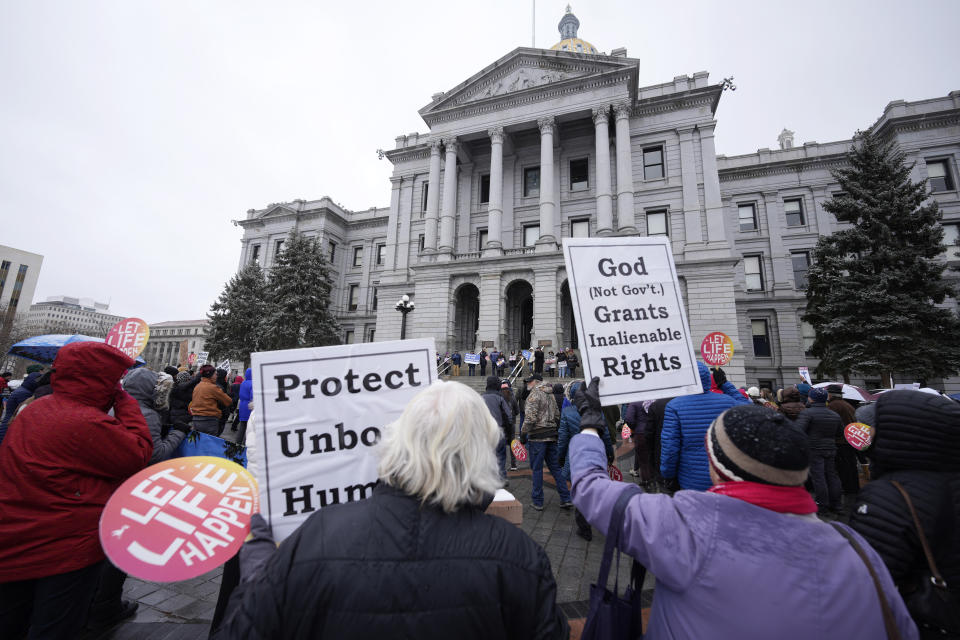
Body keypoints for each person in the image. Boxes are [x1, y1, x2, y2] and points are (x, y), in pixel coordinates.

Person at [213, 381, 568, 640]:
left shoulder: (318, 534)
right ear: (481, 453)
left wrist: (259, 575)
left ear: (398, 439)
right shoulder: (519, 556)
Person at [567, 381, 918, 639]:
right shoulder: (860, 552)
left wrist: (589, 424)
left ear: (718, 466)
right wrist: (726, 384)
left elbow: (589, 485)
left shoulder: (684, 527)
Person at [0, 342, 153, 640]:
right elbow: (138, 453)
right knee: (57, 627)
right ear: (103, 379)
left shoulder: (34, 409)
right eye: (114, 379)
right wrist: (124, 401)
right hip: (64, 547)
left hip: (14, 537)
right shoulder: (87, 422)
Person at [849, 390, 960, 638]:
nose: (867, 435)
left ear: (897, 433)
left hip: (919, 620)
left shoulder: (889, 494)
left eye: (873, 427)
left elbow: (865, 583)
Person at [660, 364, 751, 491]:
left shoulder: (674, 406)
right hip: (724, 475)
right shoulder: (728, 401)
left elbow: (670, 447)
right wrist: (725, 384)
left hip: (691, 478)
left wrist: (667, 474)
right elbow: (749, 408)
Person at [557, 380, 614, 541]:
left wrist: (560, 457)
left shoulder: (567, 412)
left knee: (580, 488)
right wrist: (609, 454)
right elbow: (607, 435)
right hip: (596, 451)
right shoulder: (597, 411)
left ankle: (584, 527)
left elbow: (562, 438)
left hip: (575, 454)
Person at [519, 374, 572, 511]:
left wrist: (523, 433)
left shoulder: (534, 395)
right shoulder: (550, 395)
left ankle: (538, 501)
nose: (527, 384)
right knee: (555, 468)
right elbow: (557, 415)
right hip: (551, 435)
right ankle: (566, 498)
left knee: (537, 469)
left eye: (529, 381)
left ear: (536, 382)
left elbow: (530, 418)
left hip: (537, 437)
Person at [793, 387, 843, 513]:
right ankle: (837, 505)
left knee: (819, 477)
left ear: (811, 399)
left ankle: (822, 504)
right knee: (832, 476)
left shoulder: (807, 413)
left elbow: (798, 430)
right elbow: (840, 433)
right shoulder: (834, 414)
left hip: (814, 448)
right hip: (830, 448)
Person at [827, 384, 861, 499]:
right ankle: (854, 488)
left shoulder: (832, 406)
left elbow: (832, 424)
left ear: (830, 394)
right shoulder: (847, 405)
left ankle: (848, 489)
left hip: (840, 441)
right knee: (851, 465)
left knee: (843, 467)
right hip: (850, 440)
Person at [481, 376, 514, 481]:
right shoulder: (500, 398)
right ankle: (501, 478)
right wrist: (509, 433)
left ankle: (487, 478)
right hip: (499, 431)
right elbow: (509, 416)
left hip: (484, 432)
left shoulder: (480, 397)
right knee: (500, 456)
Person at [190, 364, 234, 435]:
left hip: (195, 419)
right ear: (210, 375)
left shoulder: (198, 386)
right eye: (215, 374)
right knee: (208, 443)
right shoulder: (213, 387)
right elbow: (229, 401)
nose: (217, 376)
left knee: (198, 443)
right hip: (209, 420)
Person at [0, 370, 42, 445]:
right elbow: (23, 412)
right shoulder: (24, 393)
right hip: (9, 426)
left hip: (8, 423)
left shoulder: (23, 390)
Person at [624, 400, 653, 484]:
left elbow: (629, 419)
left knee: (643, 459)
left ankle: (646, 480)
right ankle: (653, 478)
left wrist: (634, 428)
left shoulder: (634, 402)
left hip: (640, 433)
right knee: (651, 456)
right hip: (652, 431)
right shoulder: (652, 400)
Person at [500, 379, 520, 471]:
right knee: (512, 444)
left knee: (502, 444)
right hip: (511, 424)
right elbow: (517, 411)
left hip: (502, 424)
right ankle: (513, 464)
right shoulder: (512, 397)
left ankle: (502, 464)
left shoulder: (499, 397)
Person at [236, 367, 254, 444]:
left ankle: (238, 443)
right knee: (249, 428)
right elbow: (252, 397)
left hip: (242, 405)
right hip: (249, 406)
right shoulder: (253, 383)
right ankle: (245, 444)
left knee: (242, 426)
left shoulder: (243, 383)